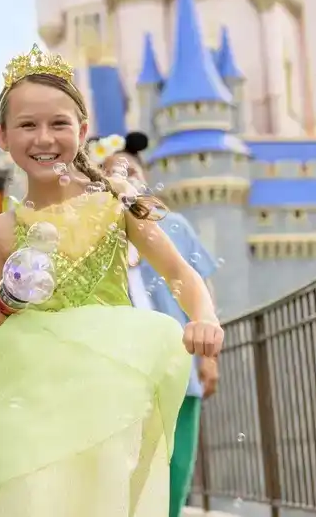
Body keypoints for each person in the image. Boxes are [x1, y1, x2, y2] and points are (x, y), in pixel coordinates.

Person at [0, 43, 225, 517]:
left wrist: (203, 315)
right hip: (34, 398)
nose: (44, 137)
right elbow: (3, 315)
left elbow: (180, 273)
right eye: (27, 125)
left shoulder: (116, 203)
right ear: (2, 136)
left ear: (81, 131)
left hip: (106, 393)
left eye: (58, 124)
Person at [103, 133, 219, 517]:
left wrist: (209, 358)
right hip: (122, 372)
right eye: (109, 172)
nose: (121, 177)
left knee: (176, 465)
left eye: (129, 170)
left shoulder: (175, 226)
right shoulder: (95, 236)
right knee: (129, 471)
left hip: (177, 366)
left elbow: (199, 286)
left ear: (144, 177)